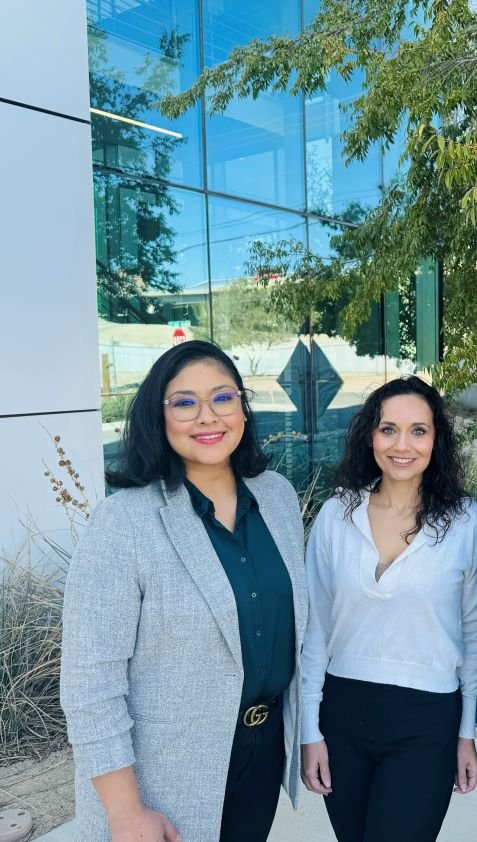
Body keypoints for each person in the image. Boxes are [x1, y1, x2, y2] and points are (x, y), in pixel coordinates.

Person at [60, 340, 307, 842]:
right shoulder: (122, 523)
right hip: (162, 775)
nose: (207, 416)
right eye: (184, 402)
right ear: (159, 414)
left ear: (242, 407)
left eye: (222, 397)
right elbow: (91, 685)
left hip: (261, 751)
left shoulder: (277, 497)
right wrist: (126, 812)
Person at [299, 376, 477, 842]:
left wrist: (466, 733)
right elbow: (313, 631)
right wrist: (308, 730)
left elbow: (474, 636)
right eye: (388, 429)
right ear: (370, 436)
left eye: (418, 430)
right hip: (341, 715)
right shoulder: (336, 516)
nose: (403, 445)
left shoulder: (466, 523)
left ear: (437, 439)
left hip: (426, 720)